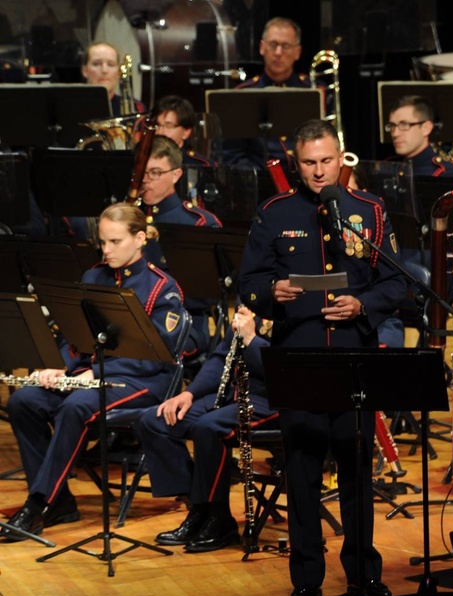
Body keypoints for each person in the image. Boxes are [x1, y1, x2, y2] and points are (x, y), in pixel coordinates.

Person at [237, 118, 407, 596]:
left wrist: (363, 304)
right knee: (303, 472)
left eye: (326, 161)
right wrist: (272, 292)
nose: (318, 171)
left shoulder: (369, 210)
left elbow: (396, 282)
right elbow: (248, 282)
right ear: (296, 163)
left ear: (341, 157)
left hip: (354, 354)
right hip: (299, 355)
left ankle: (364, 576)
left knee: (357, 471)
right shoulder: (274, 212)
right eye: (309, 163)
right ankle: (306, 579)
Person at [0, 203, 187, 541]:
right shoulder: (94, 276)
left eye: (115, 241)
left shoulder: (162, 288)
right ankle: (60, 501)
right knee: (24, 401)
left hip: (142, 381)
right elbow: (74, 338)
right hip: (93, 376)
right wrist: (59, 365)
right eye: (103, 242)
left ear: (140, 239)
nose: (106, 250)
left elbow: (154, 357)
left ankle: (39, 503)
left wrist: (94, 373)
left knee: (76, 407)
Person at [136, 305, 276, 552]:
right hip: (234, 394)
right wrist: (189, 394)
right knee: (154, 421)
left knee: (209, 427)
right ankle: (199, 508)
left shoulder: (295, 306)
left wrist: (252, 341)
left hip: (273, 398)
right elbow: (221, 357)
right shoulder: (252, 300)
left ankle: (219, 519)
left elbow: (286, 369)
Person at [138, 136, 223, 363]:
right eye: (141, 172)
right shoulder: (127, 216)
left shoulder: (197, 223)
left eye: (155, 173)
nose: (145, 180)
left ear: (176, 174)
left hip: (180, 321)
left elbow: (204, 296)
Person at [222, 17, 309, 178]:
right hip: (259, 183)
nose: (278, 53)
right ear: (262, 47)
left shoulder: (315, 91)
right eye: (273, 44)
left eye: (285, 46)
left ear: (298, 52)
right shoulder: (242, 94)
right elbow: (233, 154)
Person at [384, 95, 453, 177]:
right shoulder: (387, 168)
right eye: (392, 126)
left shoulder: (445, 174)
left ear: (426, 128)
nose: (395, 134)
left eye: (404, 125)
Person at [81, 41, 146, 117]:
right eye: (96, 64)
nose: (104, 70)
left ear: (119, 71)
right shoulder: (72, 107)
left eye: (111, 64)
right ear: (85, 71)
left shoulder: (136, 108)